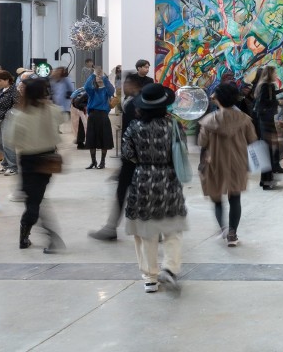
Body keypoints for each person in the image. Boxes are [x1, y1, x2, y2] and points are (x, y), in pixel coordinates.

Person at [123, 83, 187, 294]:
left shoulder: (133, 127)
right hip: (169, 179)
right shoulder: (174, 126)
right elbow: (182, 151)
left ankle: (150, 277)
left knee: (145, 231)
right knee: (172, 228)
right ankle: (170, 268)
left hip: (142, 180)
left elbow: (128, 154)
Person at [3, 77, 65, 253]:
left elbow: (10, 140)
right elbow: (62, 119)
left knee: (33, 202)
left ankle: (49, 237)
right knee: (36, 199)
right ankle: (26, 237)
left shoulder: (20, 114)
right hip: (48, 160)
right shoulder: (52, 110)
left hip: (29, 161)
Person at [198, 83, 258, 246]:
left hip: (215, 163)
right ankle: (233, 233)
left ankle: (224, 228)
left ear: (217, 98)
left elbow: (202, 142)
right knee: (235, 197)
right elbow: (252, 140)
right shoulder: (245, 120)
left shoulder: (208, 121)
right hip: (238, 162)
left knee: (216, 198)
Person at [89, 75, 144, 241]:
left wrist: (127, 160)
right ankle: (113, 227)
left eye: (126, 83)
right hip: (134, 158)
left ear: (134, 84)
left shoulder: (137, 104)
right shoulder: (135, 101)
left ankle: (112, 228)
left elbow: (134, 134)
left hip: (134, 159)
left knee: (127, 192)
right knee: (132, 192)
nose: (123, 86)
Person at [253, 67, 283, 189]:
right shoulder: (267, 86)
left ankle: (266, 180)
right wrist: (278, 103)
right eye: (275, 72)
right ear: (270, 74)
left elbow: (264, 101)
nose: (276, 74)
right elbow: (263, 103)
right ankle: (267, 181)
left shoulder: (264, 85)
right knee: (269, 151)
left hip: (265, 120)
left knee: (267, 151)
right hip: (266, 121)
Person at [83, 67, 115, 170]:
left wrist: (104, 77)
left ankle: (102, 161)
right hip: (92, 115)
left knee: (104, 138)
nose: (99, 78)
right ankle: (93, 161)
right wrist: (93, 74)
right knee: (91, 138)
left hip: (103, 116)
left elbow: (111, 89)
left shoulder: (106, 90)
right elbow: (86, 86)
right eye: (97, 77)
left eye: (101, 76)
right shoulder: (92, 90)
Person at [0, 70, 19, 175]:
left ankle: (13, 167)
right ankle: (5, 164)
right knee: (1, 144)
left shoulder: (14, 90)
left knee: (8, 144)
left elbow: (18, 105)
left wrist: (8, 114)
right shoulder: (1, 90)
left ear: (7, 80)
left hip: (8, 119)